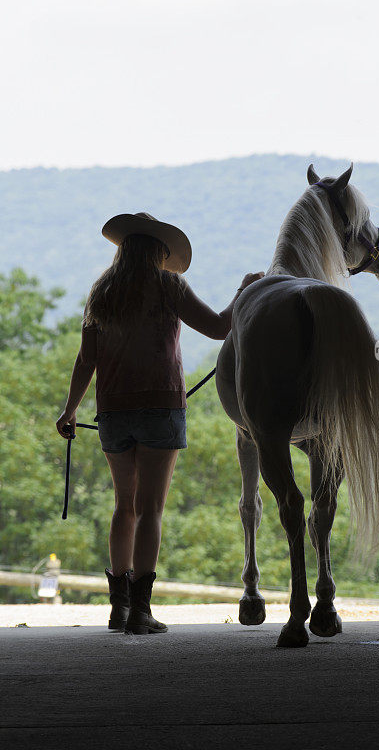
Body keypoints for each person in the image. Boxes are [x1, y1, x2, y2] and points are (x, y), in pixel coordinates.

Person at [56, 212, 264, 634]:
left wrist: (70, 410)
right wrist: (244, 290)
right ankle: (141, 611)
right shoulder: (169, 286)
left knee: (123, 508)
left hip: (112, 412)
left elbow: (87, 359)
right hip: (161, 410)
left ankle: (118, 608)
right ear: (157, 252)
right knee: (151, 509)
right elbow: (219, 328)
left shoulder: (102, 292)